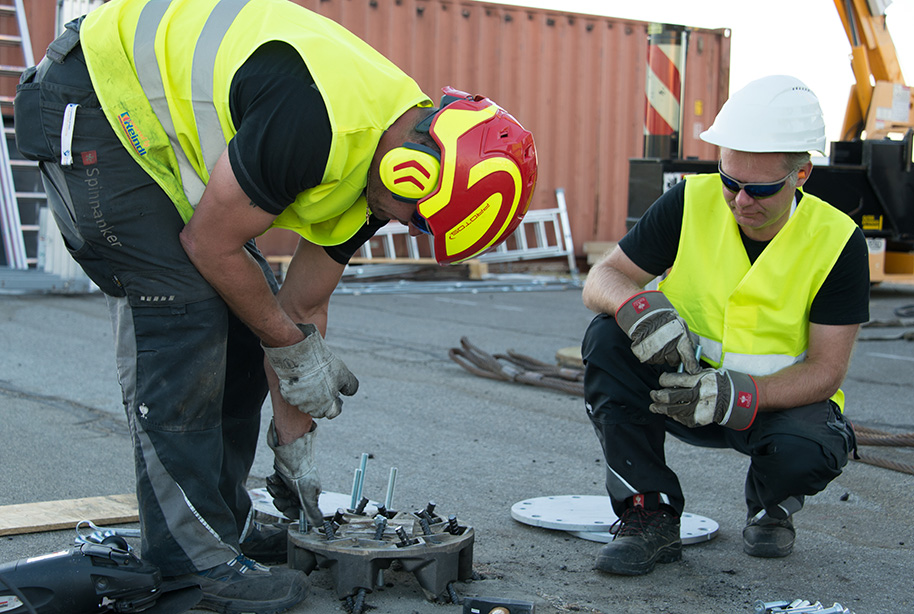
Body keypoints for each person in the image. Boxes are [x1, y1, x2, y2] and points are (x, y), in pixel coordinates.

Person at [13, 0, 537, 612]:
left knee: (242, 311)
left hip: (142, 117)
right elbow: (212, 245)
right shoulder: (315, 120)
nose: (405, 227)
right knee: (183, 310)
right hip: (93, 93)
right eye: (418, 221)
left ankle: (220, 526)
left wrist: (296, 447)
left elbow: (301, 309)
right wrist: (289, 348)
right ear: (413, 172)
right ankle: (188, 563)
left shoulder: (388, 160)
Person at [580, 75, 868, 576]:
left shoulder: (838, 241)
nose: (739, 201)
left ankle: (771, 505)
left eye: (759, 189)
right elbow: (603, 278)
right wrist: (638, 310)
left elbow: (826, 370)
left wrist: (737, 394)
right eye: (730, 181)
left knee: (811, 451)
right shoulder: (692, 200)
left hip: (769, 408)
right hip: (673, 388)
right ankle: (649, 515)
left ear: (802, 174)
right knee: (606, 339)